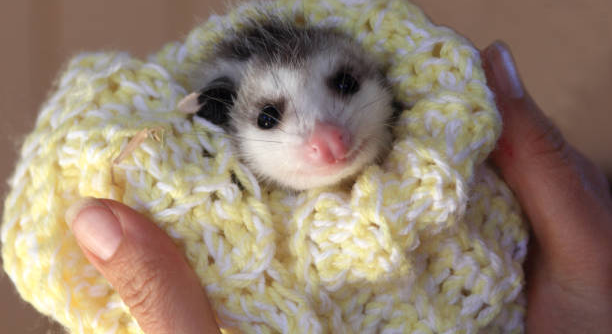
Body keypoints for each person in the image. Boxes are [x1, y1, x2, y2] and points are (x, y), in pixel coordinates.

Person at [66, 42, 612, 333]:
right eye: (270, 116)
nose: (329, 136)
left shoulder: (455, 185)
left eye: (345, 84)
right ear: (219, 119)